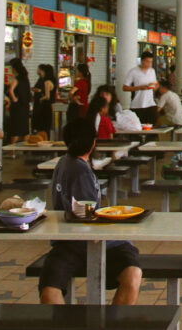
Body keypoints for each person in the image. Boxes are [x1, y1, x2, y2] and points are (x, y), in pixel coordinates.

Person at [39, 118, 141, 305]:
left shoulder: (63, 163)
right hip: (83, 243)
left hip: (65, 243)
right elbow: (86, 217)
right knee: (133, 273)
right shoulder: (80, 171)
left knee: (49, 290)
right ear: (93, 143)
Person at [122, 52, 158, 124]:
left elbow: (155, 84)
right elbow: (125, 88)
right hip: (137, 104)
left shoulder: (152, 71)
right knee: (137, 128)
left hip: (150, 103)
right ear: (142, 61)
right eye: (147, 61)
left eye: (151, 62)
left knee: (152, 128)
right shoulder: (133, 71)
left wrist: (154, 87)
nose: (149, 64)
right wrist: (139, 88)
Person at [7, 58, 31, 144]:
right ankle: (25, 150)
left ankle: (12, 152)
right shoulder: (25, 79)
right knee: (25, 129)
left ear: (14, 69)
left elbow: (10, 90)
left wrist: (14, 99)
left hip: (17, 107)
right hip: (25, 106)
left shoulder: (16, 79)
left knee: (15, 130)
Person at [31, 64, 56, 138]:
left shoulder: (46, 82)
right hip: (48, 107)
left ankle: (41, 142)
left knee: (40, 127)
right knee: (46, 128)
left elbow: (47, 96)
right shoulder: (53, 81)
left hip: (43, 108)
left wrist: (40, 99)